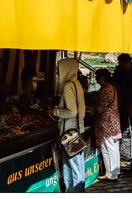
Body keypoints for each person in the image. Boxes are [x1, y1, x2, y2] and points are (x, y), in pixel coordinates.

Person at [49, 58, 86, 192]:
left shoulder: (67, 86)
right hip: (77, 130)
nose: (58, 73)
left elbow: (72, 111)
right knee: (77, 165)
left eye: (59, 70)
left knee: (72, 167)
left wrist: (55, 111)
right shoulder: (77, 84)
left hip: (69, 133)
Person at [91, 68, 122, 182]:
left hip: (106, 123)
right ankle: (115, 171)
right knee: (113, 148)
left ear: (103, 78)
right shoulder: (112, 88)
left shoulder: (104, 90)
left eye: (98, 77)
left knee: (108, 148)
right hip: (112, 121)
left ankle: (111, 174)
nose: (97, 80)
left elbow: (99, 108)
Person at [112, 53, 132, 131]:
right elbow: (113, 81)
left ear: (128, 63)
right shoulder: (119, 70)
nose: (121, 66)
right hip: (121, 101)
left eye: (122, 64)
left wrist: (121, 91)